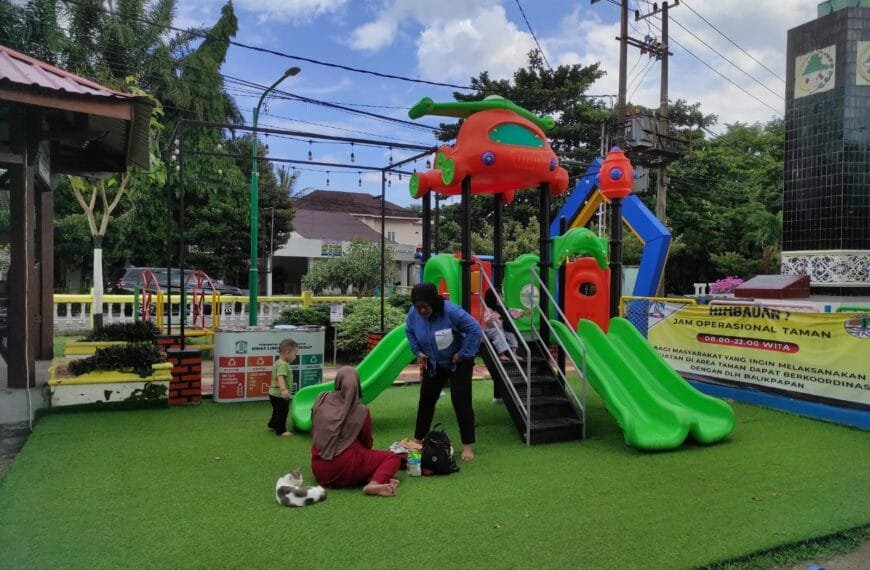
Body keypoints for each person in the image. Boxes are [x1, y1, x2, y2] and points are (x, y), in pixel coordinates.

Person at [405, 282, 482, 461]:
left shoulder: (451, 311)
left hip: (458, 362)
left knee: (461, 400)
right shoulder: (413, 314)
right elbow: (409, 331)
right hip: (434, 362)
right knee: (426, 398)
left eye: (425, 307)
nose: (422, 311)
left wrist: (463, 354)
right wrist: (417, 351)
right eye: (418, 307)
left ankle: (467, 445)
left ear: (433, 301)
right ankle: (418, 438)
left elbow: (475, 329)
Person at [311, 367, 402, 497]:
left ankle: (368, 476)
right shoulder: (361, 411)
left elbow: (314, 426)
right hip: (345, 468)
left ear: (338, 381)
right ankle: (373, 483)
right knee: (392, 457)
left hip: (319, 469)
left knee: (359, 454)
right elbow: (367, 441)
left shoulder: (321, 399)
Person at [483, 289, 526, 363]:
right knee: (500, 334)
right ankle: (501, 354)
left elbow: (511, 313)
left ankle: (513, 353)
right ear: (493, 299)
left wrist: (519, 312)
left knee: (511, 333)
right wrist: (491, 319)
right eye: (499, 297)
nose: (501, 298)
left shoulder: (503, 309)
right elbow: (487, 320)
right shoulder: (489, 310)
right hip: (491, 330)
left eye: (501, 296)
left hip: (502, 330)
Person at [267, 338, 298, 437]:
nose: (295, 357)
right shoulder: (283, 365)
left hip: (273, 393)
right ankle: (281, 430)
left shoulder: (278, 362)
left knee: (276, 410)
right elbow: (280, 377)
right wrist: (284, 390)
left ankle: (272, 424)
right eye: (295, 354)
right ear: (288, 352)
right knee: (283, 411)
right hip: (279, 394)